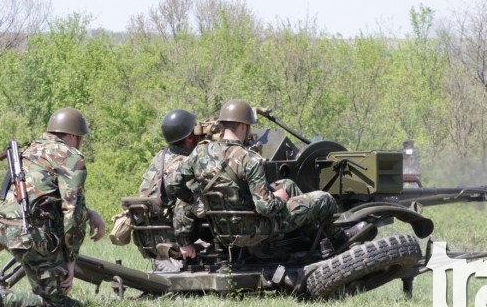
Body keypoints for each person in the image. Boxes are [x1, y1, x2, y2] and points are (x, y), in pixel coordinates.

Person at [0, 107, 105, 307]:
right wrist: (70, 261)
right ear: (74, 136)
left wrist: (90, 212)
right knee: (59, 306)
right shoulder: (69, 155)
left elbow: (46, 198)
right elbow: (73, 211)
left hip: (7, 229)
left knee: (49, 294)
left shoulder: (32, 148)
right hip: (32, 235)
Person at [167, 99, 354, 259]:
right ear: (243, 126)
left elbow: (173, 183)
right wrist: (279, 198)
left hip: (222, 230)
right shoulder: (249, 159)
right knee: (323, 199)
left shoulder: (200, 153)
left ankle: (312, 240)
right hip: (254, 229)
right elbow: (266, 208)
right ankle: (341, 244)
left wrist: (196, 200)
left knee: (287, 184)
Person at [134, 109, 200, 270]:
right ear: (190, 138)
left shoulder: (161, 157)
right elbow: (184, 203)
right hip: (169, 235)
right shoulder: (184, 164)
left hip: (150, 234)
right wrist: (185, 242)